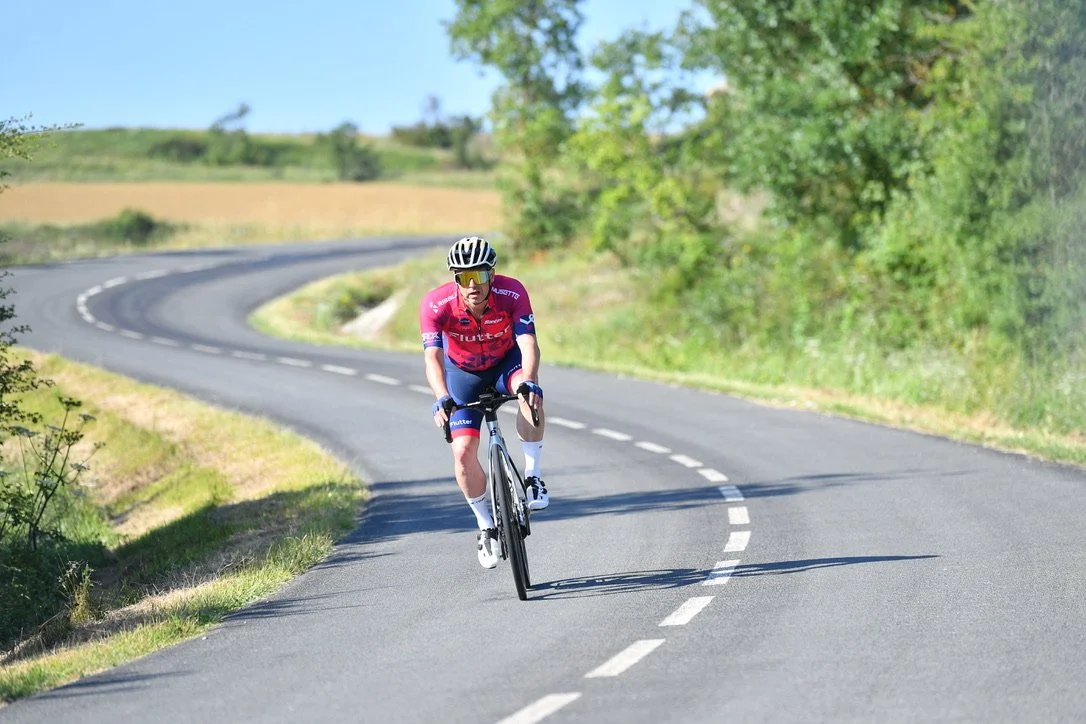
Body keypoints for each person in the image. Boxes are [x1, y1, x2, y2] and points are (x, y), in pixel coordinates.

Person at [420, 236, 548, 569]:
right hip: (463, 375)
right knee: (462, 452)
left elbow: (528, 342)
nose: (472, 284)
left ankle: (533, 476)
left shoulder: (512, 292)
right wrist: (441, 398)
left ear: (492, 273)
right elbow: (432, 357)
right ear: (455, 279)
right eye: (463, 277)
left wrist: (530, 379)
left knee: (528, 392)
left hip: (506, 363)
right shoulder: (436, 305)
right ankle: (486, 525)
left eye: (479, 275)